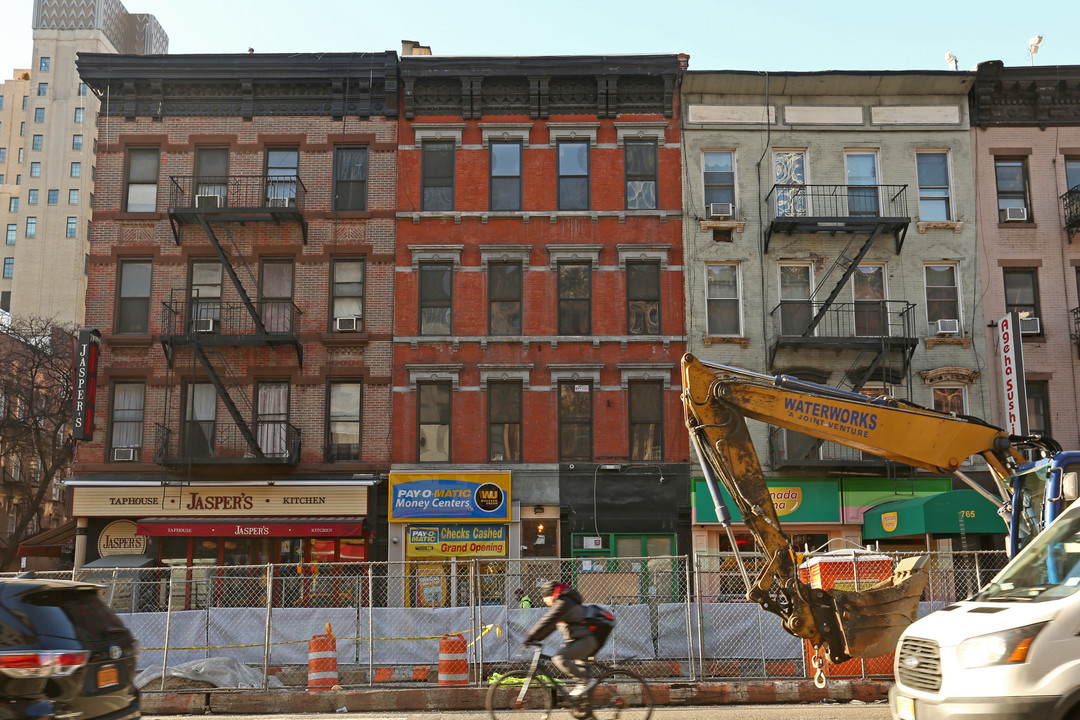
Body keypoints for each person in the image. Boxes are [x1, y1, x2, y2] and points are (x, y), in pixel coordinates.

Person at [523, 580, 599, 697]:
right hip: (581, 639)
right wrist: (536, 638)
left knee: (559, 659)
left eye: (544, 596)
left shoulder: (563, 602)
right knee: (582, 685)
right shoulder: (564, 602)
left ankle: (586, 681)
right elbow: (550, 626)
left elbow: (547, 621)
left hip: (585, 640)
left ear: (550, 594)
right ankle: (585, 710)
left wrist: (530, 637)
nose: (543, 600)